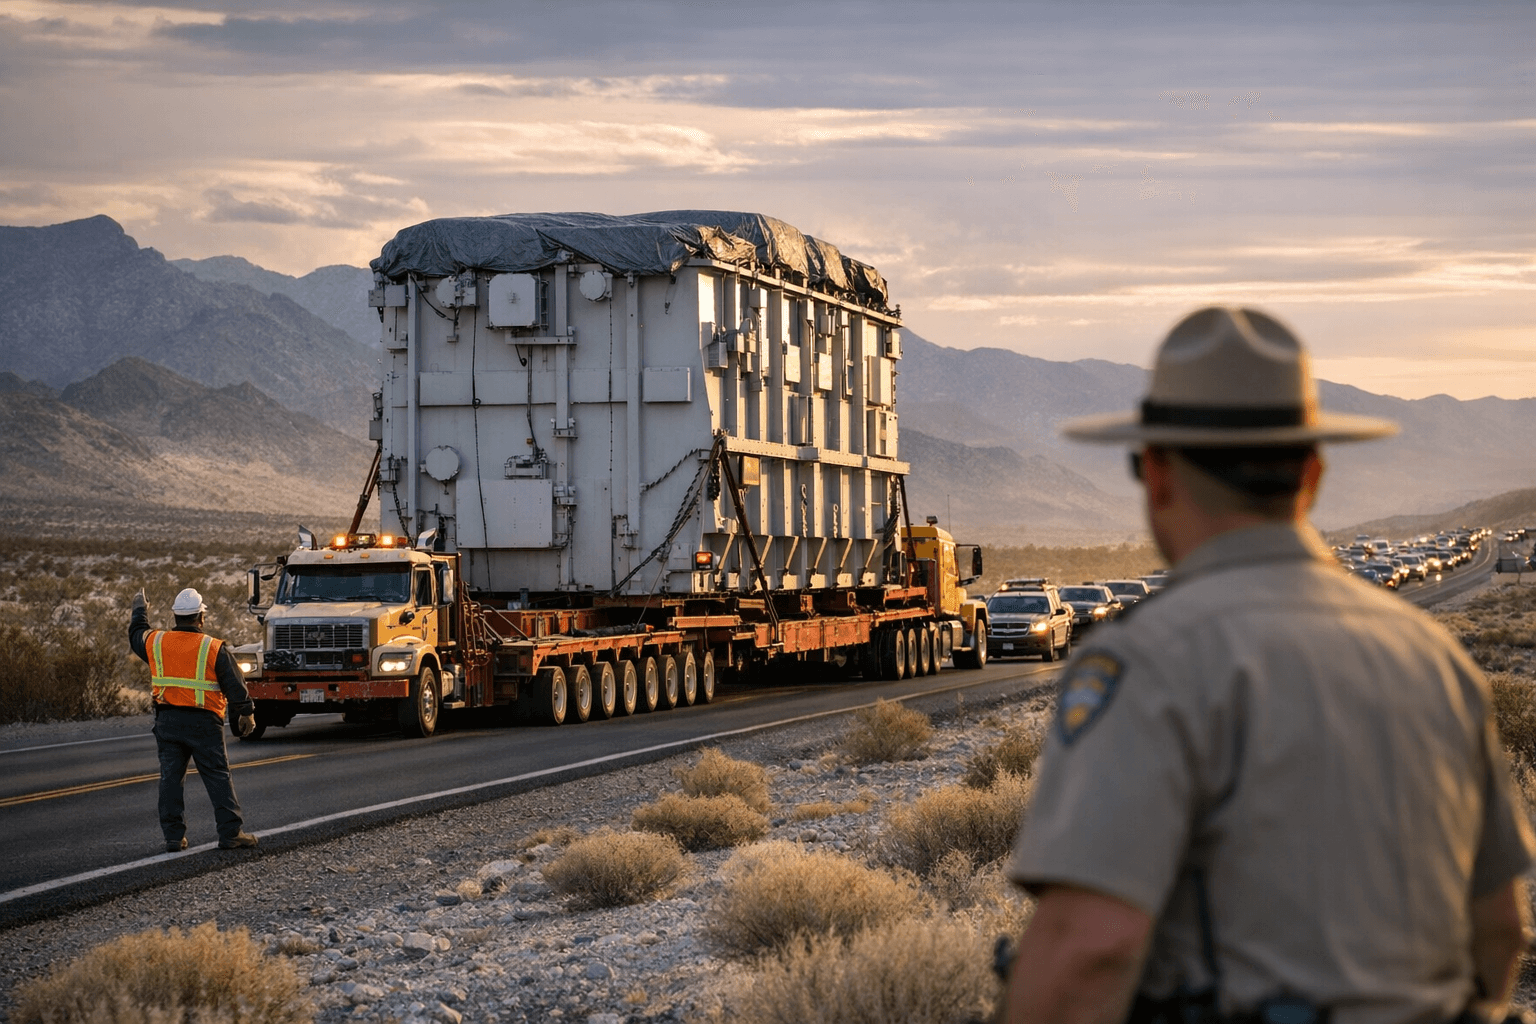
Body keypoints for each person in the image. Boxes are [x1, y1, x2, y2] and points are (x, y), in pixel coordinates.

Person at [1003, 307, 1534, 1024]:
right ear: (1311, 475)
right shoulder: (1431, 659)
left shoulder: (1151, 661)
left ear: (1156, 473)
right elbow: (1500, 928)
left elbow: (1089, 947)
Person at [129, 586, 259, 852]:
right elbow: (235, 684)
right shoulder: (213, 647)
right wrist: (245, 712)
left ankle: (174, 838)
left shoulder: (157, 642)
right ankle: (231, 833)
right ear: (201, 617)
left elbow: (135, 636)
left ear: (176, 616)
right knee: (218, 777)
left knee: (170, 780)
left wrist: (139, 611)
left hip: (168, 722)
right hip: (204, 724)